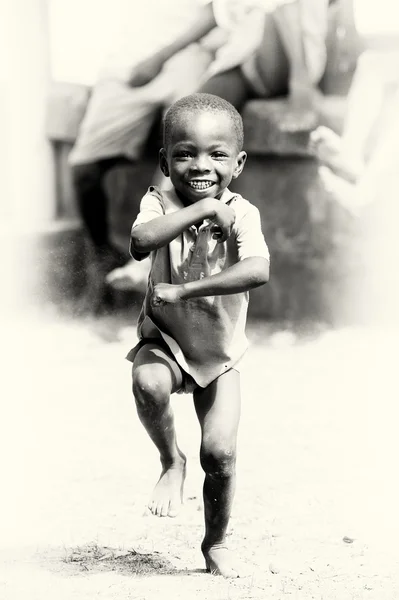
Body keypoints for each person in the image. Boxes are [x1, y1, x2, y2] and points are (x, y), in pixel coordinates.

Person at [126, 93, 270, 577]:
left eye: (217, 154)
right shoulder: (158, 202)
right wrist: (202, 207)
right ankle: (170, 460)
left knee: (221, 454)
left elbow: (257, 271)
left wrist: (185, 291)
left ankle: (216, 543)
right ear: (165, 162)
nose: (200, 165)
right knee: (148, 384)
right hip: (164, 342)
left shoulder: (243, 213)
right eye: (185, 153)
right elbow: (141, 242)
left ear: (239, 162)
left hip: (219, 354)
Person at [103, 0, 334, 293]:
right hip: (243, 60)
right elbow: (217, 13)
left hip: (291, 56)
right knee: (189, 125)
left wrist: (302, 84)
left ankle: (301, 86)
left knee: (280, 9)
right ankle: (149, 258)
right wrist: (158, 59)